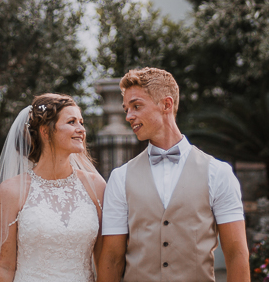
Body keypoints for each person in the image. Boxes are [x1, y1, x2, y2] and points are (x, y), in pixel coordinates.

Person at [97, 67, 251, 282]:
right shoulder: (120, 177)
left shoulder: (218, 173)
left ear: (166, 105)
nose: (129, 116)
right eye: (126, 110)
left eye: (137, 106)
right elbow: (112, 258)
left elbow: (236, 254)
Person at [0, 93, 107, 282]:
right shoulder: (11, 191)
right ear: (45, 131)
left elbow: (104, 262)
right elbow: (4, 266)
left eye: (81, 122)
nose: (81, 129)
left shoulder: (96, 186)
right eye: (71, 122)